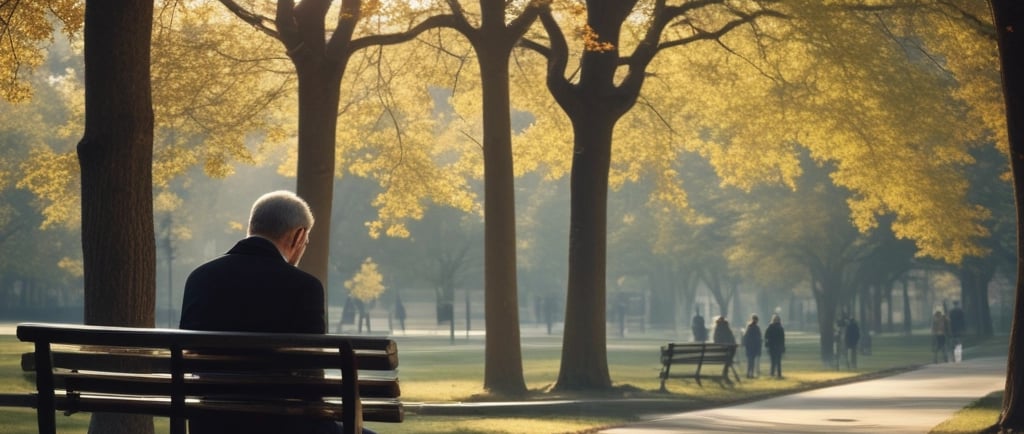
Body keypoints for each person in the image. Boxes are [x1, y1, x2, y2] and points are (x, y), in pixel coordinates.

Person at [179, 190, 355, 434]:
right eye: (306, 242)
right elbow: (310, 376)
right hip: (284, 426)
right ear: (299, 235)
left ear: (251, 227)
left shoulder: (200, 278)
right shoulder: (303, 286)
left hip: (209, 424)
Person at [764, 314, 785, 378]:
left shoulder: (770, 327)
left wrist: (767, 344)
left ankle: (772, 373)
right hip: (777, 346)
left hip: (772, 346)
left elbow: (766, 336)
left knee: (773, 361)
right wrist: (783, 347)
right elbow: (782, 339)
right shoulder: (780, 328)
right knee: (778, 361)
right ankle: (778, 374)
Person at [742, 314, 762, 379]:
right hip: (754, 347)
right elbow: (759, 338)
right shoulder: (756, 328)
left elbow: (745, 337)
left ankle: (749, 373)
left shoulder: (749, 327)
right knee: (752, 361)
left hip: (749, 347)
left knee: (750, 361)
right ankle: (751, 374)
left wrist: (745, 344)